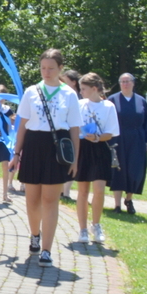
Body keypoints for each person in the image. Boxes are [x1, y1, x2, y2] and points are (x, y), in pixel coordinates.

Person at [9, 49, 81, 266]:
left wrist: (75, 159)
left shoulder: (69, 94)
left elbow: (75, 129)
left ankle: (47, 250)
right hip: (33, 145)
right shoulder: (31, 91)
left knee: (50, 200)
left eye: (51, 68)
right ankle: (34, 236)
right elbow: (22, 124)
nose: (46, 72)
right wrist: (16, 153)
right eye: (43, 68)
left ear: (60, 69)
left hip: (56, 147)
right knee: (32, 200)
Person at [75, 73, 119, 243]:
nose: (81, 92)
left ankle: (96, 224)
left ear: (94, 89)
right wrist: (84, 135)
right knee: (83, 191)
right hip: (83, 149)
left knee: (99, 189)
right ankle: (83, 229)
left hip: (100, 149)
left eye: (84, 89)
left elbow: (111, 132)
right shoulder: (79, 105)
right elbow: (74, 127)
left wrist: (97, 138)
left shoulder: (108, 106)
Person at [109, 72, 147, 213]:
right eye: (122, 81)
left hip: (137, 140)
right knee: (118, 170)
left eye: (128, 81)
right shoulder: (112, 100)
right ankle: (117, 205)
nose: (125, 84)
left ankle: (128, 199)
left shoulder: (141, 101)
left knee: (135, 171)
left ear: (133, 83)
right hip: (118, 140)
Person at [60, 68, 81, 199]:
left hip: (77, 134)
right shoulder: (63, 95)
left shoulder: (78, 97)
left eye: (65, 81)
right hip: (64, 134)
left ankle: (66, 191)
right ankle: (62, 190)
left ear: (73, 82)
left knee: (72, 160)